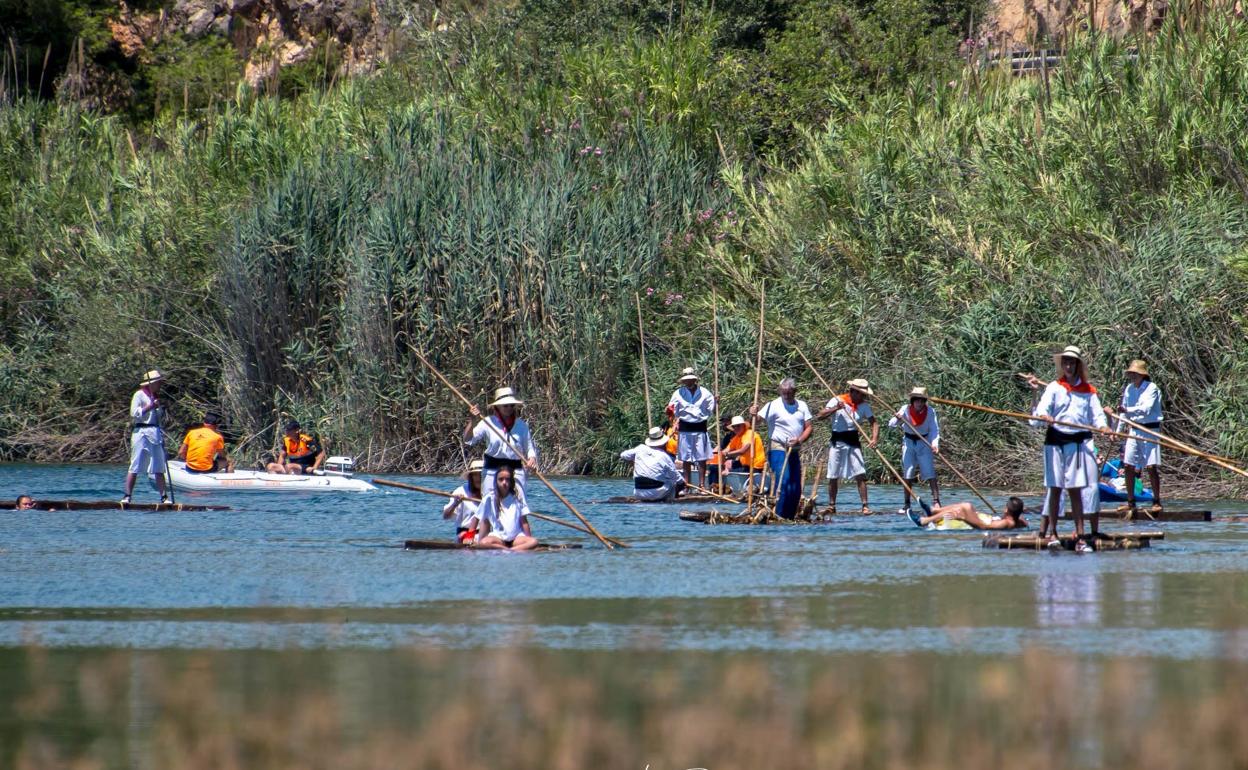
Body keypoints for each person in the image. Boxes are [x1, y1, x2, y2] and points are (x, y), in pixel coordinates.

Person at [1024, 345, 1110, 553]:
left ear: (1077, 365)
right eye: (1065, 362)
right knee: (1054, 487)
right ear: (1062, 365)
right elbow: (1041, 411)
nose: (1069, 366)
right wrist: (1045, 415)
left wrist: (1104, 426)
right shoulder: (1054, 387)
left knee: (1075, 489)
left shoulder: (1088, 391)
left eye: (1072, 362)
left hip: (1077, 443)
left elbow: (1097, 416)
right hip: (1055, 441)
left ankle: (1081, 537)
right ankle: (1053, 534)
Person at [1105, 359, 1163, 514]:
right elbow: (1123, 414)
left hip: (1150, 430)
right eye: (1131, 373)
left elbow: (1145, 409)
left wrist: (1126, 409)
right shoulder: (1129, 389)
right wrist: (1117, 431)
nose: (1132, 376)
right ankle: (1130, 502)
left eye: (1135, 373)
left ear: (1142, 375)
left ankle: (1156, 501)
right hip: (1134, 430)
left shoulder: (1152, 388)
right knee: (1129, 465)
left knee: (1151, 467)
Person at [752, 378, 813, 519]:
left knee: (795, 488)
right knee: (784, 482)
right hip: (778, 448)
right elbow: (756, 422)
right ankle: (778, 515)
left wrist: (799, 439)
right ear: (780, 391)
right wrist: (753, 414)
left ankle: (789, 517)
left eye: (789, 393)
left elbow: (809, 427)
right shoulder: (773, 405)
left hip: (794, 449)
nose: (786, 396)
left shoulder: (802, 406)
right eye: (783, 393)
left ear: (794, 392)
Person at [815, 378, 878, 514]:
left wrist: (874, 439)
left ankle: (865, 506)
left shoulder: (864, 406)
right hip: (837, 441)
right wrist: (836, 408)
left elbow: (874, 423)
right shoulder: (837, 400)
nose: (863, 397)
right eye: (861, 394)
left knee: (860, 473)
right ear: (853, 392)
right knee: (833, 474)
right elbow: (820, 416)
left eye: (864, 395)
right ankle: (832, 505)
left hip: (853, 441)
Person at [463, 387, 539, 493]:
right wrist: (472, 419)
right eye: (505, 406)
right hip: (492, 469)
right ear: (498, 406)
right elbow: (468, 439)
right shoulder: (487, 422)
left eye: (512, 405)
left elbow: (530, 448)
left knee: (519, 502)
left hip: (516, 470)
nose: (509, 408)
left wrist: (532, 458)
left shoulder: (521, 425)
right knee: (490, 502)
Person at [888, 387, 941, 515]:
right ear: (913, 401)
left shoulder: (930, 412)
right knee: (908, 472)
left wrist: (935, 444)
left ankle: (936, 501)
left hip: (924, 442)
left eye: (922, 401)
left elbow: (934, 430)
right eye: (917, 401)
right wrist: (898, 418)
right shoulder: (905, 409)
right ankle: (907, 504)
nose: (919, 403)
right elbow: (891, 424)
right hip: (909, 443)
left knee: (930, 472)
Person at [121, 369, 169, 505]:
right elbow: (134, 413)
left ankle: (164, 497)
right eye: (158, 382)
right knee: (135, 464)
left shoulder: (156, 396)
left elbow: (158, 418)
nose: (160, 384)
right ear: (151, 383)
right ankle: (127, 496)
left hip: (154, 432)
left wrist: (158, 407)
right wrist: (150, 406)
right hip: (141, 431)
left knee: (159, 466)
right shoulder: (139, 395)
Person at [667, 368, 716, 489]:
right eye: (686, 380)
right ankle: (687, 485)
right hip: (685, 428)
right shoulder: (678, 393)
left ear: (694, 380)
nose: (688, 382)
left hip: (700, 427)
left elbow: (712, 409)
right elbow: (671, 409)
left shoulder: (705, 392)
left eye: (690, 380)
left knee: (701, 458)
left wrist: (716, 402)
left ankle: (701, 485)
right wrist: (669, 411)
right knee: (686, 458)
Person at [474, 465, 539, 550]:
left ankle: (511, 550)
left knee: (533, 541)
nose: (504, 482)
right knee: (484, 542)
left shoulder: (518, 497)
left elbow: (524, 522)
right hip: (498, 537)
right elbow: (484, 521)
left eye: (507, 479)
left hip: (516, 537)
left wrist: (529, 539)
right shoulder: (489, 498)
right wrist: (478, 542)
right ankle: (506, 549)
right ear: (496, 481)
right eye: (501, 479)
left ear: (511, 481)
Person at [619, 427, 686, 501]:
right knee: (672, 481)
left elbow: (623, 455)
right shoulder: (664, 456)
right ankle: (673, 498)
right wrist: (683, 483)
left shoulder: (640, 449)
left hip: (639, 493)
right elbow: (674, 474)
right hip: (657, 493)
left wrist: (633, 463)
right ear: (663, 442)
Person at [909, 496, 1029, 530]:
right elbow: (1023, 523)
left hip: (983, 523)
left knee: (964, 507)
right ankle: (933, 511)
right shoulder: (1019, 520)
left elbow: (983, 527)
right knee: (967, 506)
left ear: (1006, 510)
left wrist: (963, 518)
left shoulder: (1005, 523)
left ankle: (924, 521)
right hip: (989, 519)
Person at [444, 459, 484, 542]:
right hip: (464, 535)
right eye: (475, 475)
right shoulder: (460, 491)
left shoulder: (491, 493)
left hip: (485, 536)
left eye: (480, 474)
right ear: (471, 477)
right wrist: (455, 504)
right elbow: (446, 516)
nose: (478, 478)